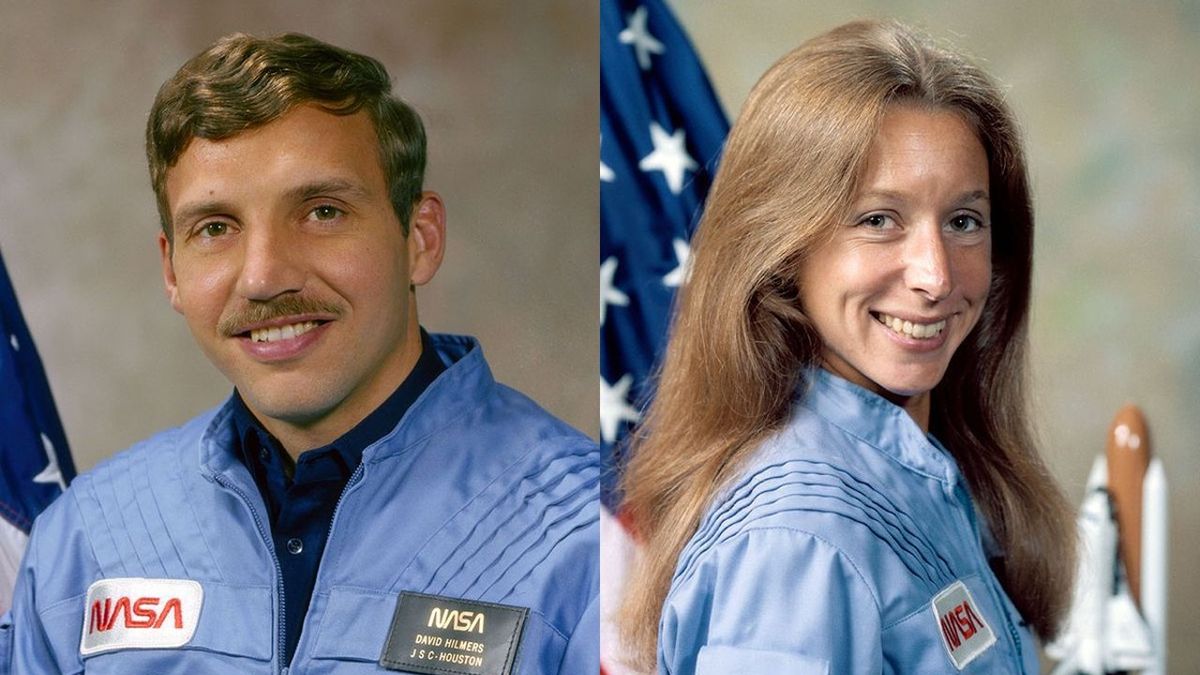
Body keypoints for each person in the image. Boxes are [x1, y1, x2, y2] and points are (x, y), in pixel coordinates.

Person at [2, 33, 598, 674]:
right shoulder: (86, 540)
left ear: (419, 239)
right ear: (171, 269)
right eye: (216, 228)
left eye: (321, 212)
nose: (263, 277)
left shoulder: (586, 540)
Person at [616, 19, 1076, 674]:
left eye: (963, 220)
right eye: (878, 220)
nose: (936, 275)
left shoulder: (919, 478)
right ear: (784, 248)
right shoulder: (798, 541)